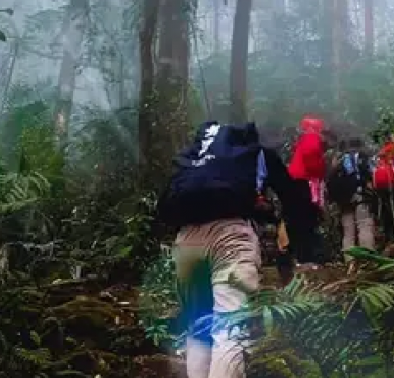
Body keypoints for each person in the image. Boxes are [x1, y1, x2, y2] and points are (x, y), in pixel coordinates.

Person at [156, 121, 312, 378]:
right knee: (229, 329)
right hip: (230, 237)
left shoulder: (196, 156)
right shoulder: (255, 153)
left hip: (185, 240)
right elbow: (292, 195)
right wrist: (292, 239)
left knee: (199, 328)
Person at [286, 115, 328, 267]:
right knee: (307, 221)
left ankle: (299, 256)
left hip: (297, 182)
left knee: (298, 221)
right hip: (305, 183)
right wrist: (319, 172)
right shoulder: (311, 138)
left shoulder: (303, 140)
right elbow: (312, 159)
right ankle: (307, 258)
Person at [328, 137, 375, 259]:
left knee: (348, 231)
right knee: (364, 225)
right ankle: (367, 258)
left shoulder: (339, 159)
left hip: (344, 200)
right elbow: (372, 174)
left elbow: (330, 179)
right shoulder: (363, 158)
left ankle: (349, 260)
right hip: (361, 196)